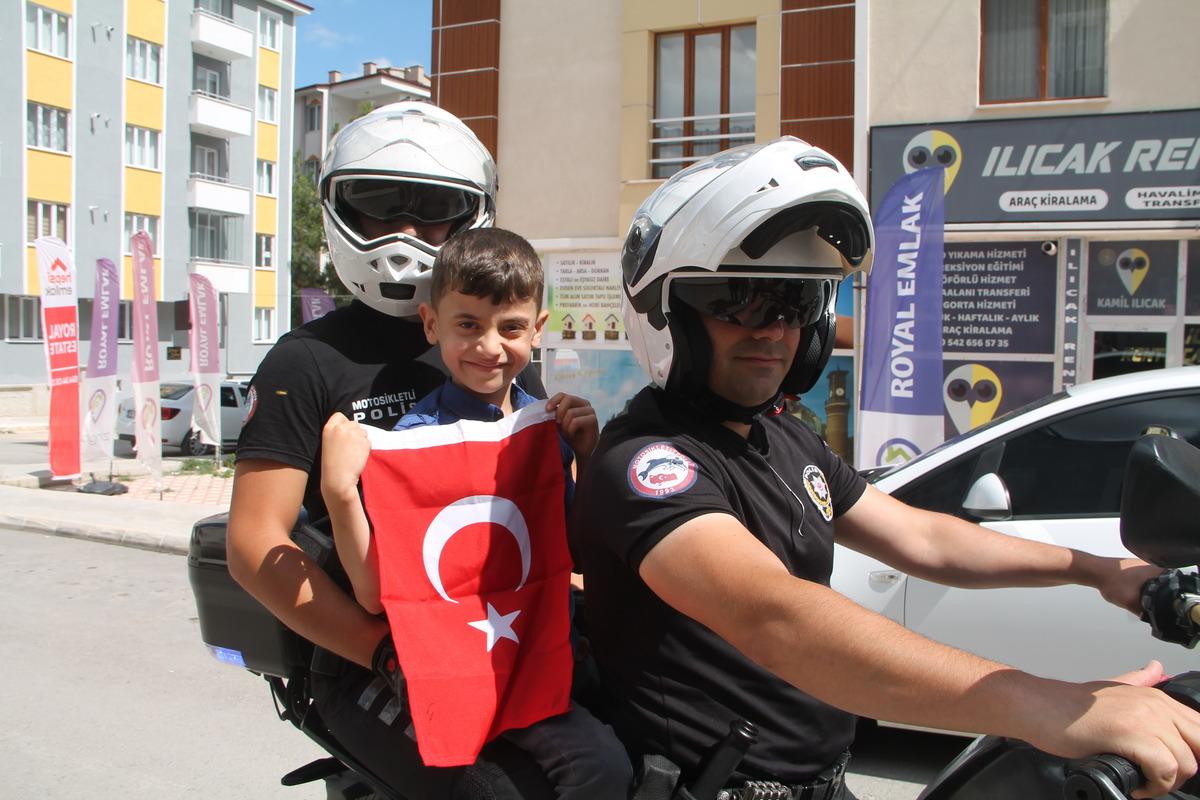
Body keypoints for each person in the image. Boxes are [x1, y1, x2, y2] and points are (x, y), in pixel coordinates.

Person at [569, 138, 1200, 800]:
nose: (774, 331)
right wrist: (1050, 707)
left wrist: (1095, 570)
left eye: (795, 305)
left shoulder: (784, 441)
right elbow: (773, 616)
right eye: (741, 303)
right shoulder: (644, 462)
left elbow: (927, 539)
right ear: (668, 315)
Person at [227, 102, 554, 798]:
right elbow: (255, 543)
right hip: (369, 659)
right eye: (377, 208)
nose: (404, 233)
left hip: (499, 637)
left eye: (433, 212)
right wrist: (381, 652)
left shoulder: (494, 348)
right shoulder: (308, 362)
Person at [319, 227, 634, 799]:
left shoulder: (549, 430)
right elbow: (375, 594)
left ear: (537, 331)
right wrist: (341, 492)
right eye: (468, 325)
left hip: (542, 658)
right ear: (431, 324)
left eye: (510, 327)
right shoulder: (412, 443)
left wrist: (588, 458)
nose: (489, 346)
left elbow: (577, 548)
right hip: (459, 675)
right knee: (602, 768)